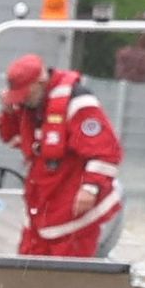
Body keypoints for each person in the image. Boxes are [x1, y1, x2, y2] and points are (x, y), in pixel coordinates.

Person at [17, 62, 126, 256]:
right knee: (28, 273)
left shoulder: (77, 102)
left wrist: (90, 188)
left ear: (40, 82)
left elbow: (106, 151)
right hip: (42, 207)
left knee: (69, 277)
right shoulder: (31, 109)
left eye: (26, 93)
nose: (23, 99)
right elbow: (14, 140)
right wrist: (8, 114)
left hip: (73, 215)